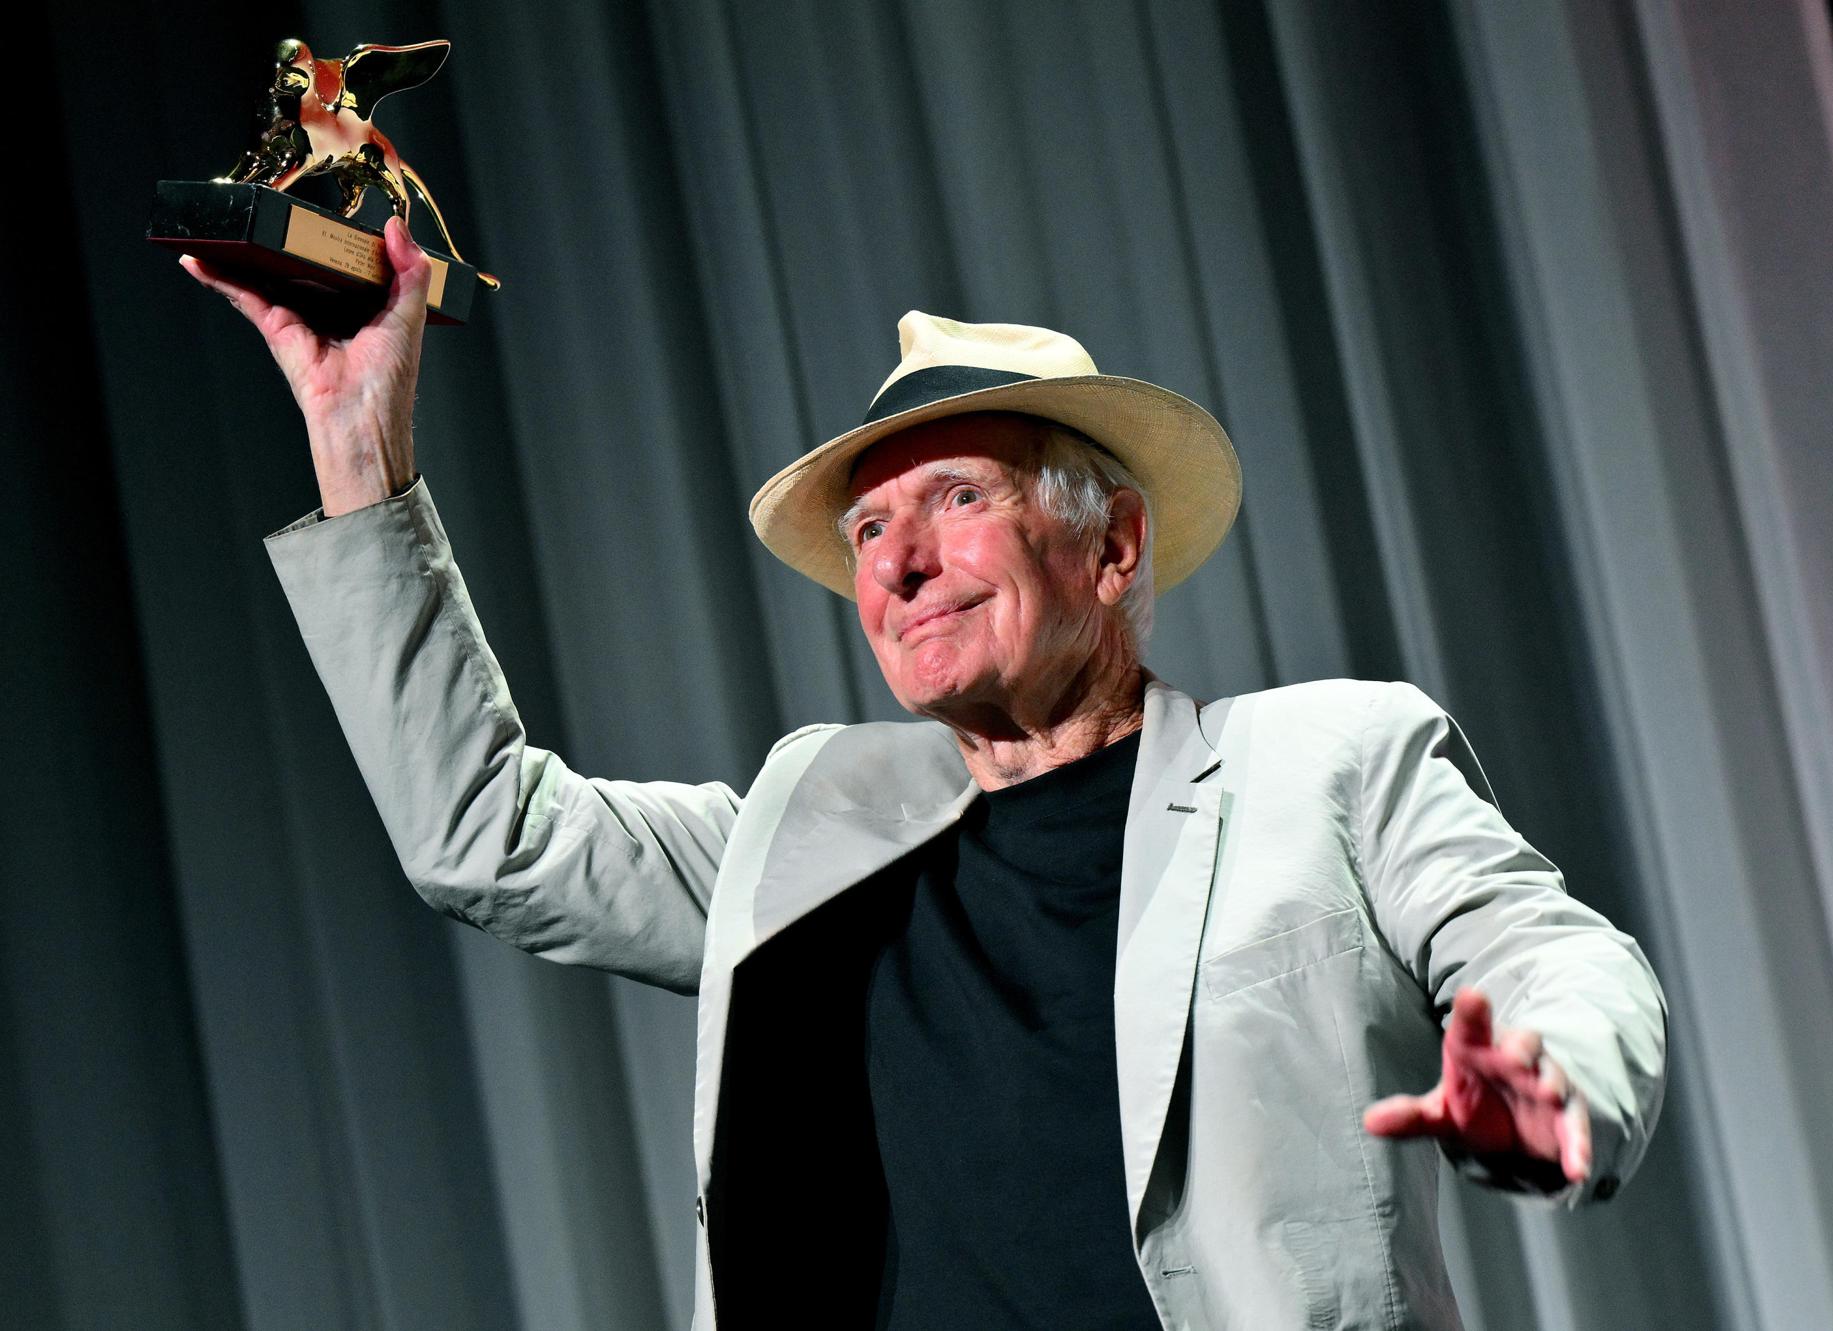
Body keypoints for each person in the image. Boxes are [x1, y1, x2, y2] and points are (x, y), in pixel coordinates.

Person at [184, 214, 1667, 1330]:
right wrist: (355, 438)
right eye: (868, 529)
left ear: (1113, 542)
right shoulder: (805, 823)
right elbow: (486, 838)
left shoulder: (1327, 761)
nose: (895, 559)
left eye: (959, 496)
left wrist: (1555, 1080)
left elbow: (1553, 955)